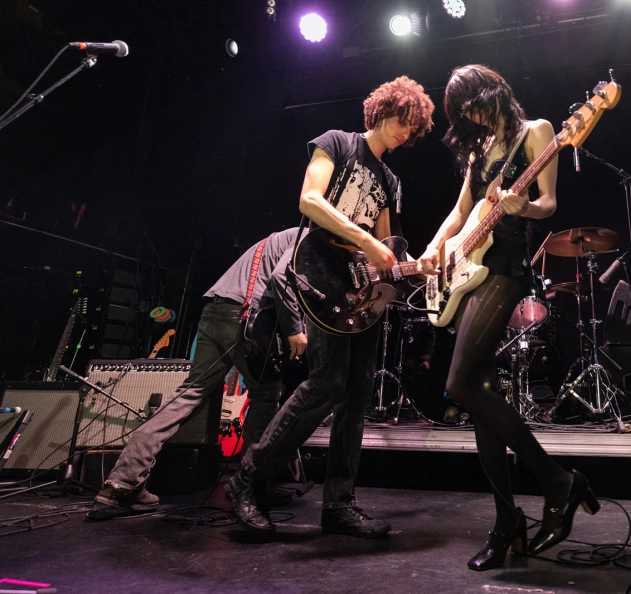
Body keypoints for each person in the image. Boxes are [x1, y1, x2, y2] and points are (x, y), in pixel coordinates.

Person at [225, 76, 435, 536]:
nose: (405, 132)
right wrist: (363, 239)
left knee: (357, 396)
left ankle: (339, 502)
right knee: (326, 384)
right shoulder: (337, 143)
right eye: (403, 121)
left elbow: (386, 249)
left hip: (363, 297)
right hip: (321, 274)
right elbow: (310, 200)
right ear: (382, 111)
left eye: (413, 129)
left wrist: (416, 266)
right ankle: (247, 479)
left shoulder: (390, 180)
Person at [417, 64, 598, 570]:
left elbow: (549, 204)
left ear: (493, 92)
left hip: (505, 270)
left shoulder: (537, 133)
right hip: (470, 271)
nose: (471, 115)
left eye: (473, 102)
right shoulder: (477, 152)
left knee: (460, 386)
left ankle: (558, 480)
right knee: (480, 395)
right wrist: (436, 249)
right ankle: (506, 523)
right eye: (463, 111)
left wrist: (522, 206)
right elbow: (460, 212)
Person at [95, 228, 309, 512]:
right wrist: (296, 329)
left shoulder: (275, 238)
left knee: (189, 395)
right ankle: (249, 487)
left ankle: (121, 482)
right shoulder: (308, 237)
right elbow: (281, 281)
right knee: (267, 395)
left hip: (214, 312)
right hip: (244, 321)